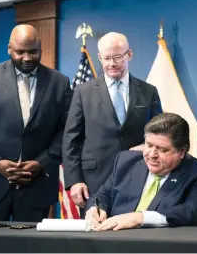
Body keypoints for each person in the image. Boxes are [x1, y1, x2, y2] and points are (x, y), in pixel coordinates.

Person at [0, 24, 72, 222]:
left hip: (36, 187)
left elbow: (68, 129)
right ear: (9, 49)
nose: (27, 58)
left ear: (40, 49)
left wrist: (42, 162)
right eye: (20, 52)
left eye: (33, 52)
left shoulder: (60, 82)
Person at [63, 32, 162, 214]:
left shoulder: (149, 91)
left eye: (117, 57)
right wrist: (74, 181)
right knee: (95, 236)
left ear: (129, 54)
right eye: (106, 58)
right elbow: (71, 140)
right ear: (100, 57)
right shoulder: (82, 92)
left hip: (138, 176)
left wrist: (146, 146)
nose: (111, 64)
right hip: (94, 181)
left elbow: (160, 135)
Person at [85, 113, 197, 230]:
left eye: (162, 149)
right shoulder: (125, 162)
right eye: (149, 145)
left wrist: (140, 217)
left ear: (182, 152)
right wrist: (96, 209)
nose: (152, 154)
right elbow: (103, 195)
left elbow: (192, 212)